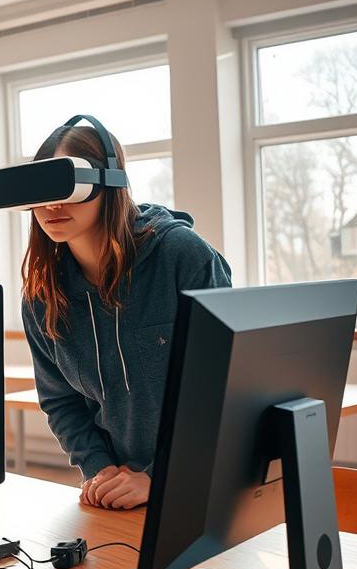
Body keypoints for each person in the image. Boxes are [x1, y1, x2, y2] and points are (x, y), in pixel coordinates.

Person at [20, 119, 231, 510]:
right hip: (118, 494)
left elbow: (224, 389)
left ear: (110, 184)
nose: (51, 205)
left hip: (200, 485)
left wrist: (158, 475)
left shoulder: (182, 258)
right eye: (41, 190)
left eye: (69, 186)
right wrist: (99, 469)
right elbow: (61, 401)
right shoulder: (42, 296)